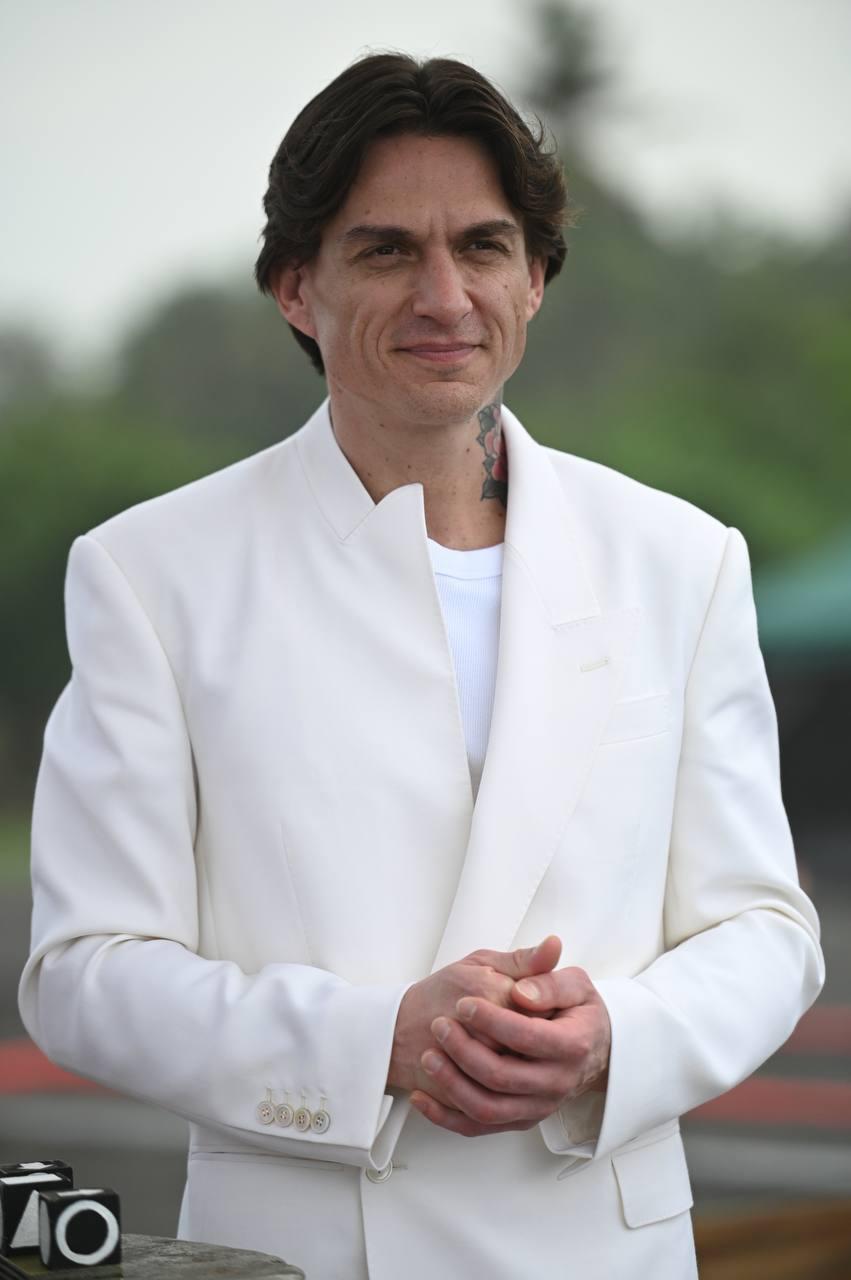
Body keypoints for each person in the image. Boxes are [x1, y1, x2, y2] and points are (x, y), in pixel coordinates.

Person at [19, 53, 823, 1280]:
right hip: (299, 1250)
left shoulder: (679, 560)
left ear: (534, 278)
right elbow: (84, 971)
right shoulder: (151, 573)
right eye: (387, 249)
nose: (444, 295)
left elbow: (761, 927)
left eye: (483, 247)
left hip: (602, 1247)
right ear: (297, 286)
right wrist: (369, 1043)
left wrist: (616, 1034)